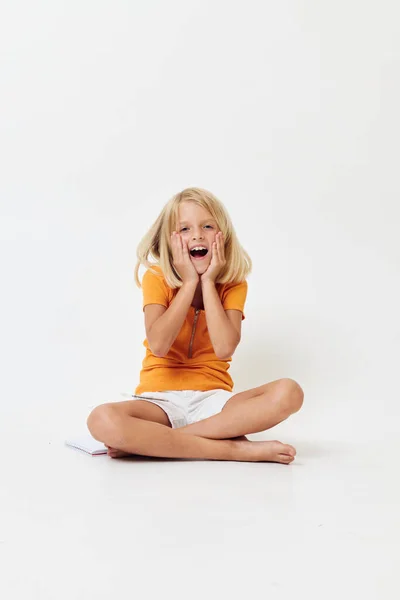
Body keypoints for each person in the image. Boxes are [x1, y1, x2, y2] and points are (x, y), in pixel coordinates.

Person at [87, 187, 304, 463]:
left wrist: (208, 282)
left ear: (222, 236)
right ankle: (232, 450)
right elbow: (159, 344)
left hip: (214, 402)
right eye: (185, 229)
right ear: (170, 240)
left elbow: (225, 348)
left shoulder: (234, 284)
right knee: (101, 419)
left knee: (289, 392)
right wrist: (189, 282)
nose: (197, 235)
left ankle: (159, 444)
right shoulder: (157, 277)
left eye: (207, 226)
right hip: (159, 403)